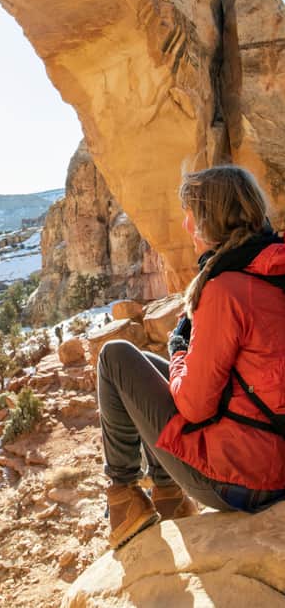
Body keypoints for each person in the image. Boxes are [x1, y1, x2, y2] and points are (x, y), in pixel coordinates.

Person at [98, 165, 285, 549]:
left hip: (246, 480)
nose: (186, 226)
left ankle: (124, 500)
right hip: (273, 454)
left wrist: (179, 348)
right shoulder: (271, 266)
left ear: (212, 221)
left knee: (115, 357)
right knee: (145, 370)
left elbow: (195, 406)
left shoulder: (228, 289)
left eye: (192, 215)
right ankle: (168, 499)